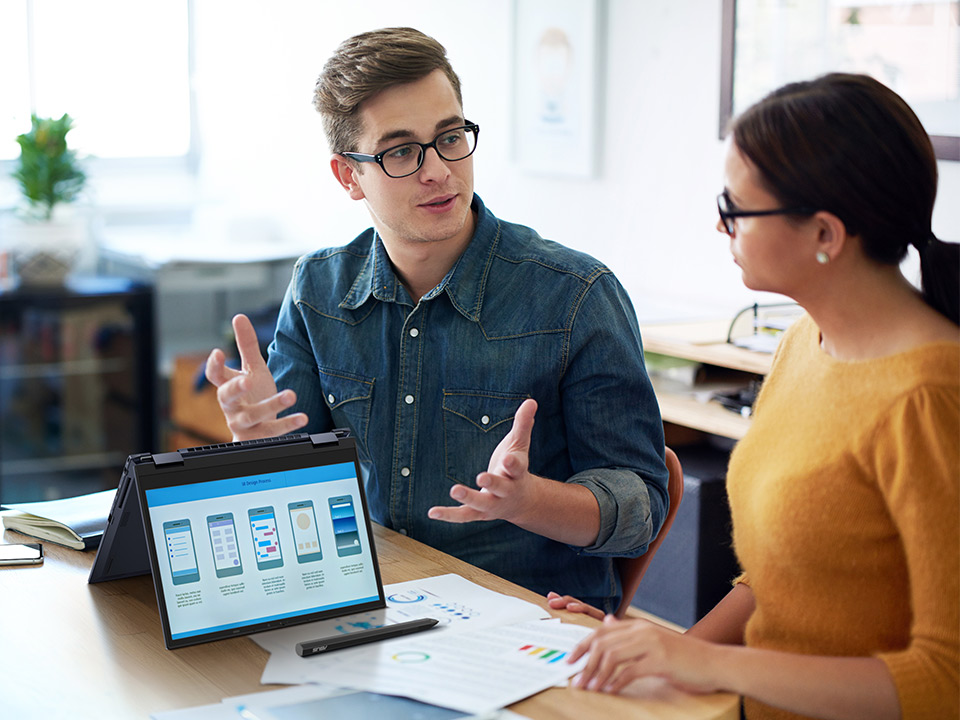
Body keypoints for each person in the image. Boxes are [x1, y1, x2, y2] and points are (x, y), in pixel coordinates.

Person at [204, 27, 668, 613]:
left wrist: (527, 500)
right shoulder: (318, 289)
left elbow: (640, 512)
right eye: (401, 151)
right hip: (373, 606)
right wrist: (261, 446)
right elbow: (302, 496)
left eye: (450, 137)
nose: (438, 171)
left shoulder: (576, 297)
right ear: (349, 176)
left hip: (527, 622)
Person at [556, 73, 959, 719]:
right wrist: (653, 653)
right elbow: (781, 582)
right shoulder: (805, 342)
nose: (722, 226)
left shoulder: (929, 400)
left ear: (825, 234)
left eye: (736, 209)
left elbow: (945, 681)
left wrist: (705, 663)